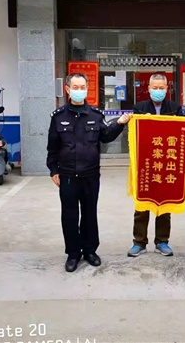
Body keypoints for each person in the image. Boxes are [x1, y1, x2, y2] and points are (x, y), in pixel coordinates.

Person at [47, 73, 132, 272]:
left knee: (89, 214)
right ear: (67, 90)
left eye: (82, 87)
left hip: (90, 175)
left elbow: (106, 136)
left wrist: (119, 123)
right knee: (69, 215)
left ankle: (90, 251)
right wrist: (53, 170)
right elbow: (53, 147)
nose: (79, 91)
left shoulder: (95, 115)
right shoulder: (58, 117)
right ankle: (73, 253)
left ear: (87, 88)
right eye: (75, 87)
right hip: (67, 175)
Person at [127, 73, 183, 257]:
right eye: (155, 87)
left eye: (161, 88)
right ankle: (139, 242)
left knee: (164, 204)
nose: (158, 90)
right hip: (145, 162)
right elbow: (134, 133)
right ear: (149, 88)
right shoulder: (140, 107)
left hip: (166, 162)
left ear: (167, 89)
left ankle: (162, 241)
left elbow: (182, 131)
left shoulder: (175, 108)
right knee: (142, 203)